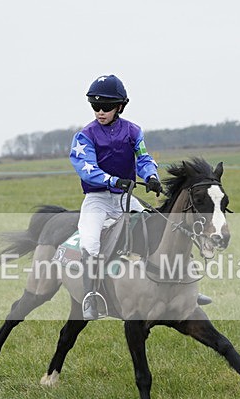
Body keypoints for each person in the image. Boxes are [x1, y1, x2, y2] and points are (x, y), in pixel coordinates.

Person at [70, 74, 163, 320]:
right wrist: (111, 180)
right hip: (97, 200)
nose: (100, 111)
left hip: (125, 198)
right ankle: (91, 297)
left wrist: (151, 176)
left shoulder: (133, 131)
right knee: (89, 243)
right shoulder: (84, 136)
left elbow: (143, 158)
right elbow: (86, 168)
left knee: (158, 229)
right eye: (95, 106)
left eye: (106, 107)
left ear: (120, 106)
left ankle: (176, 289)